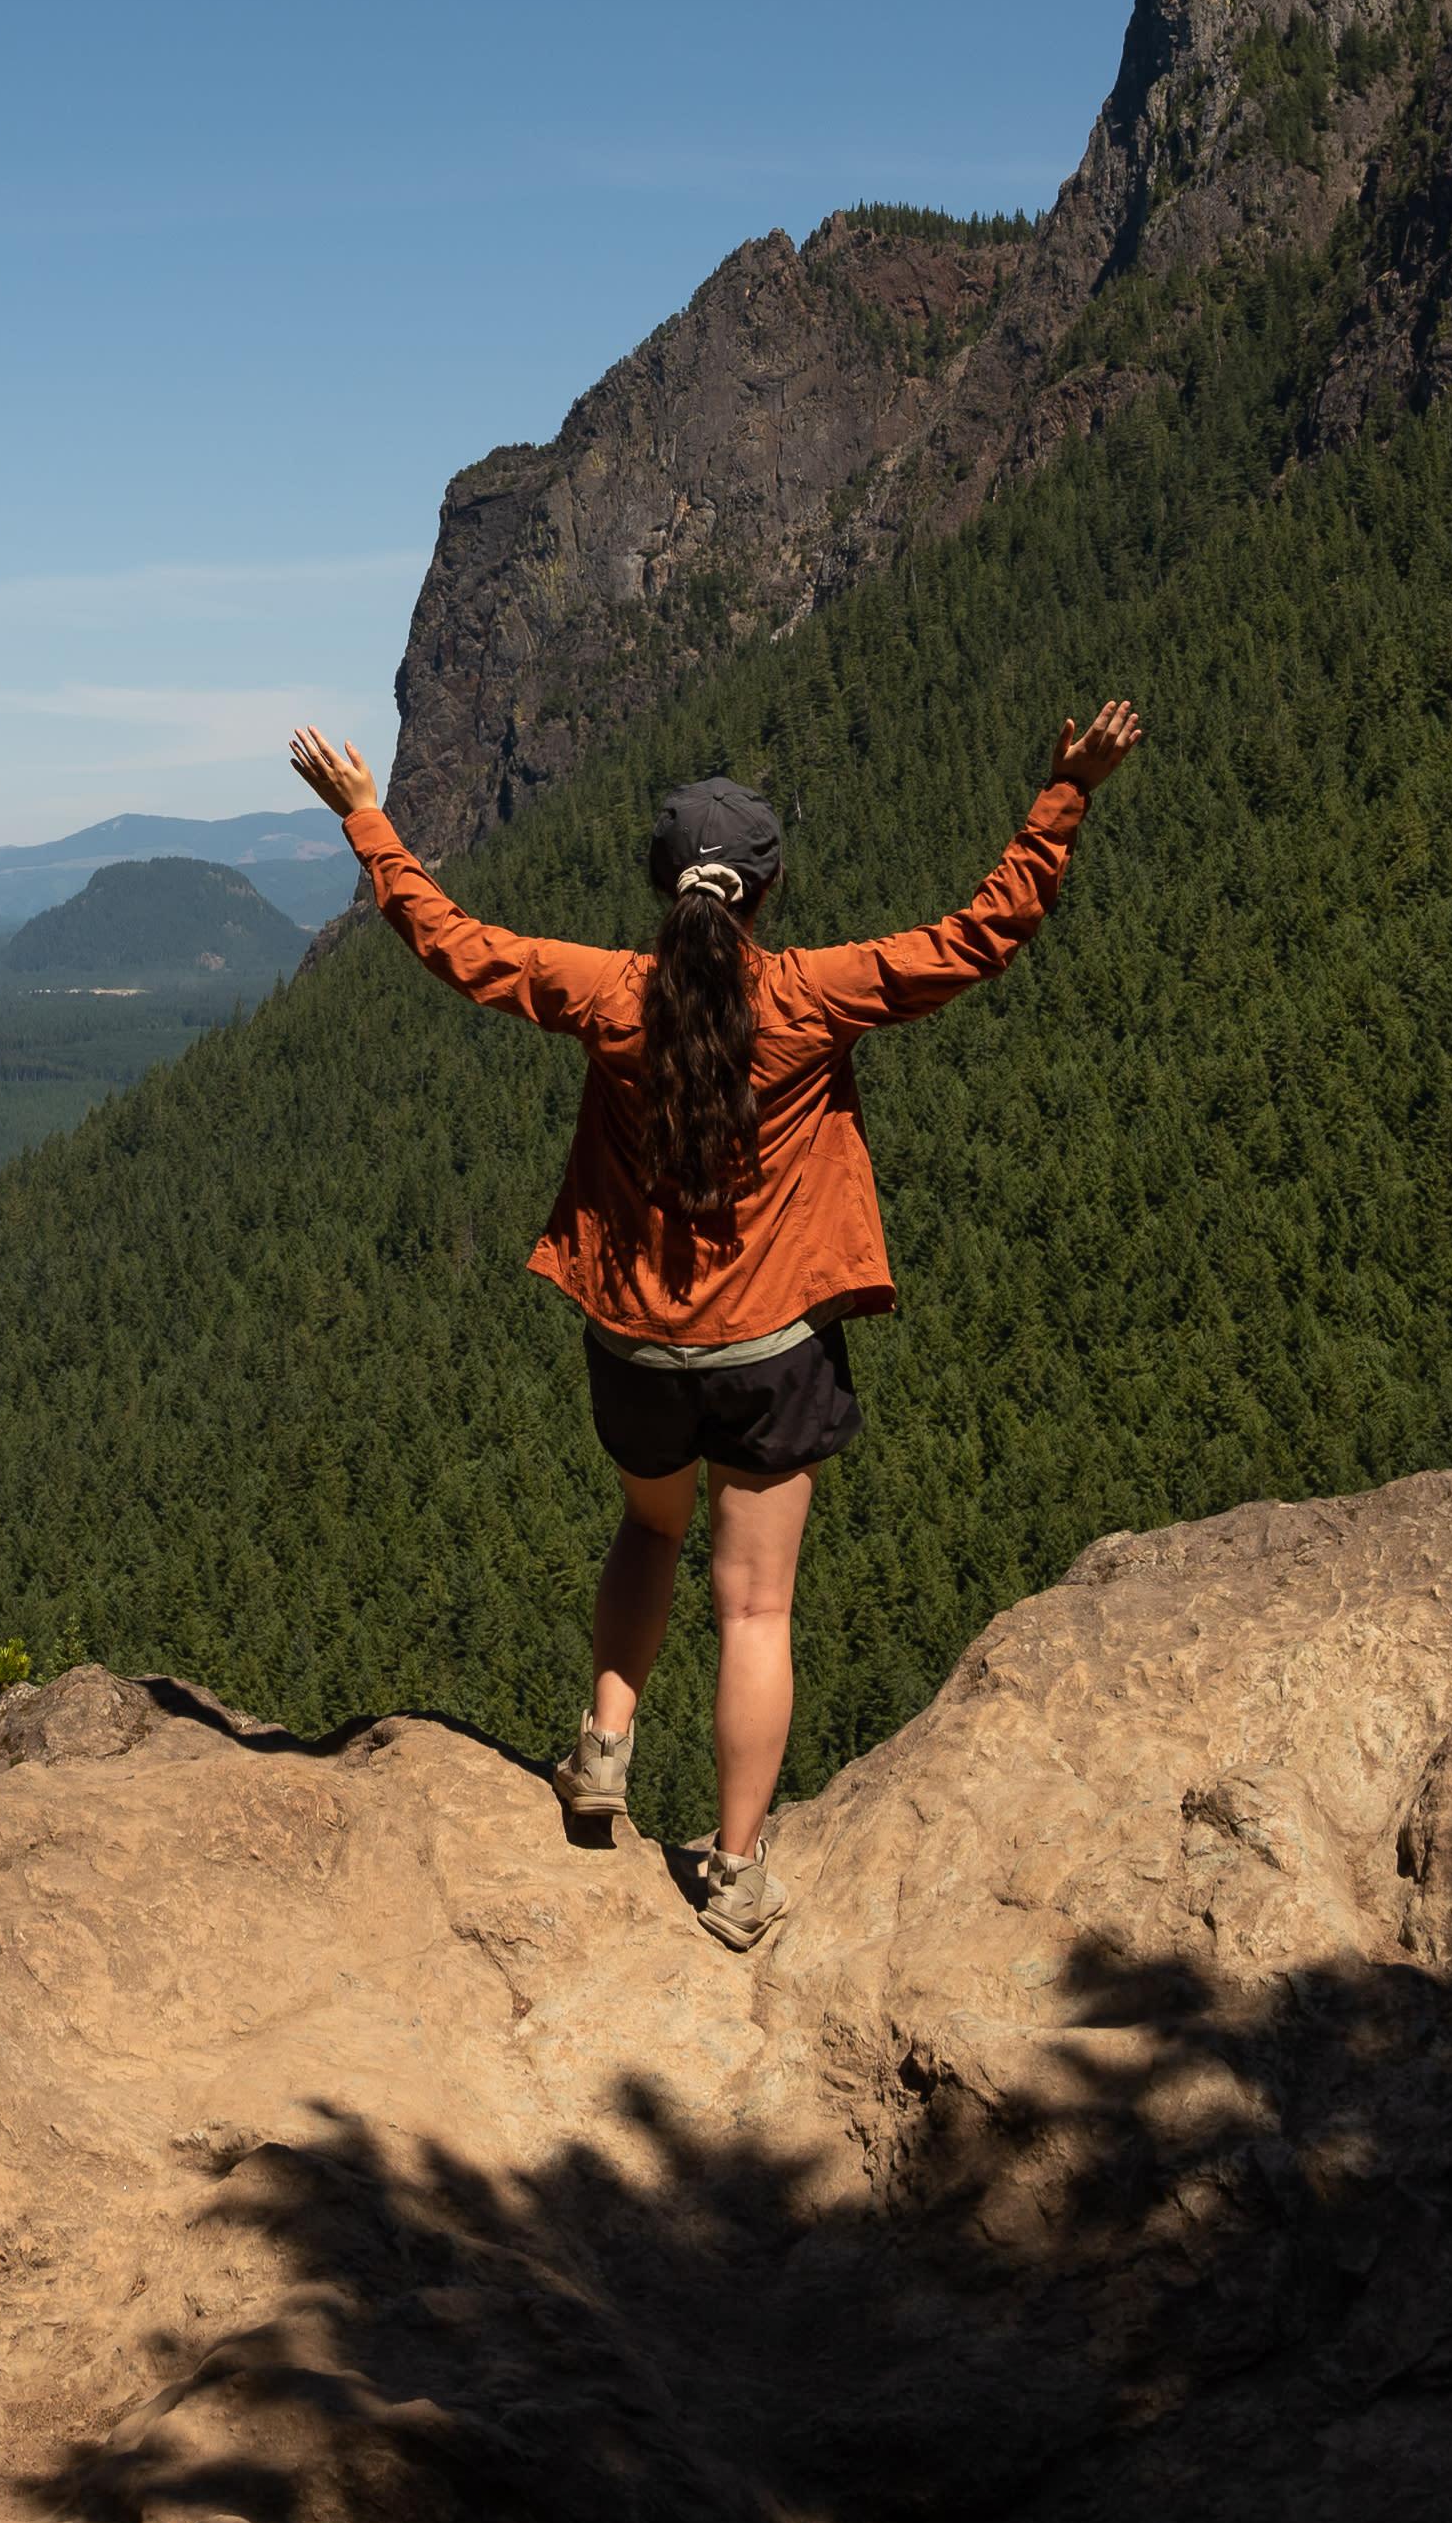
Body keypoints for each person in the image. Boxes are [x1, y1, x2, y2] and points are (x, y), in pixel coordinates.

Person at [282, 700, 1146, 1951]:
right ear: (766, 888)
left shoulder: (606, 995)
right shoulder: (812, 996)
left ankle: (604, 1750)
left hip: (632, 1342)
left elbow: (453, 942)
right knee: (755, 1610)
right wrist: (1067, 792)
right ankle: (735, 1877)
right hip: (770, 1357)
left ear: (658, 883)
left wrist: (366, 818)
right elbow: (980, 934)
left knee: (647, 1526)